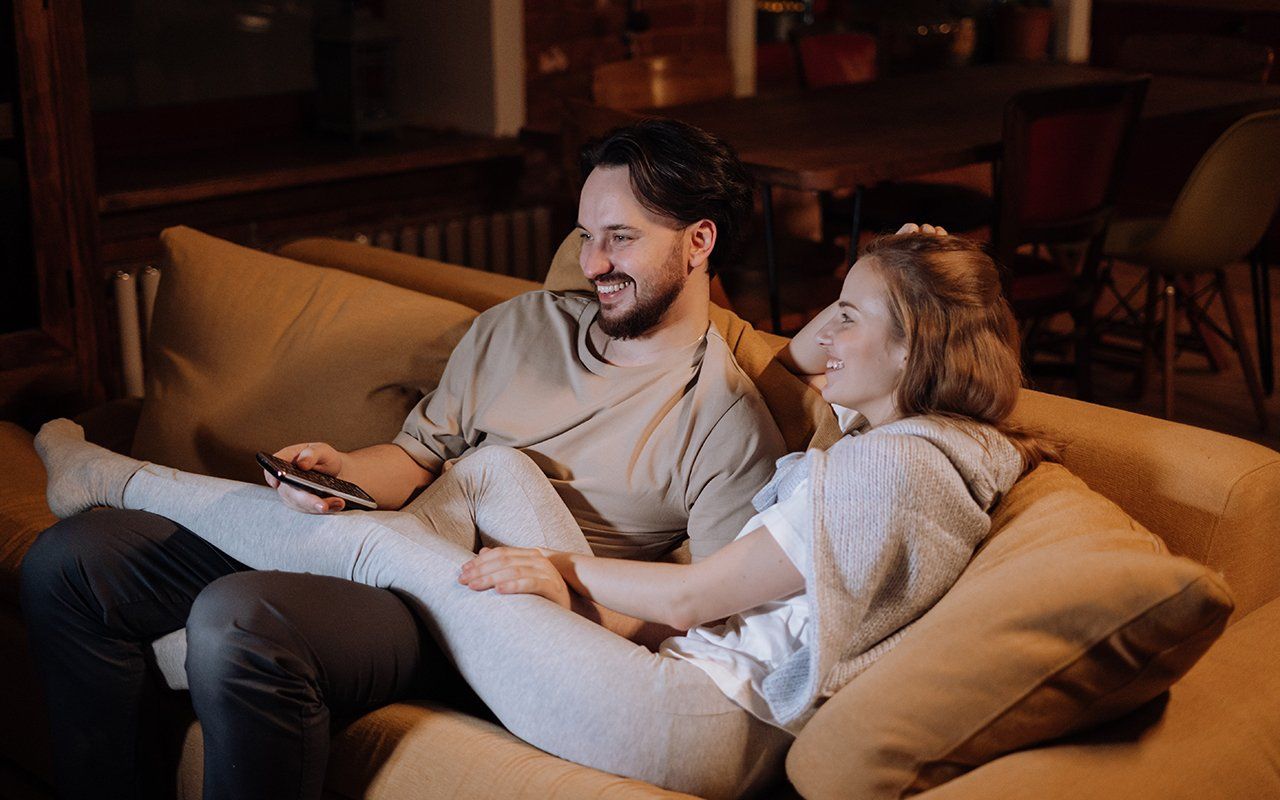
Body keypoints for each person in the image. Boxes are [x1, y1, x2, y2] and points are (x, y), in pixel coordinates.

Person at [29, 227, 1044, 798]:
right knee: (498, 465)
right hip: (692, 679)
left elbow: (699, 590)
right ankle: (346, 555)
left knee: (381, 542)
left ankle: (110, 480)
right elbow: (807, 364)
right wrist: (899, 269)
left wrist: (559, 574)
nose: (820, 332)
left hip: (693, 721)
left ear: (910, 354)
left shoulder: (897, 468)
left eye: (850, 313)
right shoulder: (892, 444)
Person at [20, 119, 789, 800]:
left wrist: (566, 592)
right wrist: (341, 471)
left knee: (240, 620)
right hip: (396, 536)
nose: (592, 263)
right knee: (76, 559)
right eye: (586, 235)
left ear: (699, 241)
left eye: (620, 237)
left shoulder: (724, 422)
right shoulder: (520, 327)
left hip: (478, 617)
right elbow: (417, 457)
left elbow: (710, 619)